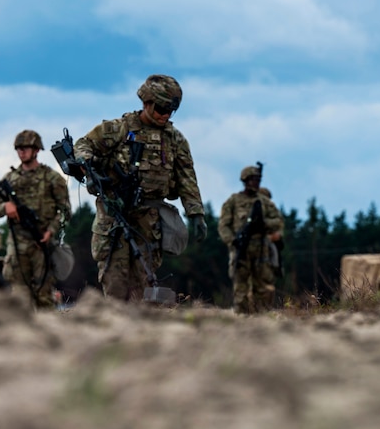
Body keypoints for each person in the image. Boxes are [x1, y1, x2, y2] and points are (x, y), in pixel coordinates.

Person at [73, 74, 207, 301]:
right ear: (147, 103)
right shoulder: (118, 129)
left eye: (170, 111)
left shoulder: (175, 140)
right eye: (161, 108)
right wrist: (90, 169)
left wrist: (196, 213)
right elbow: (83, 145)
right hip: (114, 217)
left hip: (148, 221)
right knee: (115, 283)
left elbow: (186, 178)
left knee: (143, 285)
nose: (165, 115)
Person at [0, 130, 72, 308]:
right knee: (20, 299)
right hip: (18, 247)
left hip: (42, 246)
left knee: (44, 297)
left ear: (36, 150)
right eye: (19, 148)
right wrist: (6, 207)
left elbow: (66, 212)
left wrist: (51, 231)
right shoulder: (9, 180)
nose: (22, 151)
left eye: (26, 147)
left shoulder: (52, 179)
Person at [217, 165, 284, 314]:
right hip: (241, 248)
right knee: (241, 288)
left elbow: (278, 221)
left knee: (263, 287)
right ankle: (242, 318)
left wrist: (263, 224)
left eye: (258, 180)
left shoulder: (264, 202)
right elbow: (223, 226)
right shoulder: (233, 201)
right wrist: (232, 241)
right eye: (254, 179)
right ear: (246, 180)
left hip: (261, 249)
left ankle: (262, 317)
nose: (256, 183)